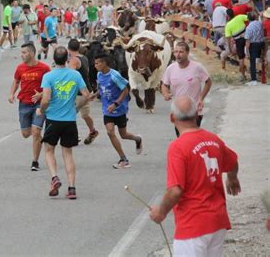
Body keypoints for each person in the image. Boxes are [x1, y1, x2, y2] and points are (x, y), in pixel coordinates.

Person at [150, 96, 241, 257]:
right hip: (217, 221)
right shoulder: (213, 140)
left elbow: (175, 191)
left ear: (172, 118)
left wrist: (161, 212)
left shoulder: (177, 147)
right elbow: (232, 161)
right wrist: (232, 178)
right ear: (197, 115)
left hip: (193, 225)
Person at [36, 46, 92, 200]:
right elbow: (87, 94)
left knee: (48, 151)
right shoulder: (75, 75)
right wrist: (75, 106)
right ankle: (72, 188)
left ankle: (54, 177)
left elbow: (46, 98)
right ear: (67, 59)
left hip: (53, 119)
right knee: (68, 154)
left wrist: (41, 110)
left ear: (54, 59)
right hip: (69, 120)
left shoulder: (48, 76)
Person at [94, 53, 142, 168]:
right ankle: (123, 159)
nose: (95, 65)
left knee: (123, 134)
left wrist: (116, 104)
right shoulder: (99, 74)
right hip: (107, 109)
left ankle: (137, 139)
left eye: (97, 63)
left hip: (119, 109)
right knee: (110, 132)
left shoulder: (114, 75)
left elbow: (125, 90)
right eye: (95, 63)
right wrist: (95, 94)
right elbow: (101, 88)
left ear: (104, 63)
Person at [9, 42, 50, 171]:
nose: (22, 55)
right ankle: (38, 139)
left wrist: (42, 94)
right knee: (26, 134)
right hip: (24, 103)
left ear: (32, 53)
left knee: (36, 132)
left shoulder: (44, 68)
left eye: (24, 52)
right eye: (21, 52)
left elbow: (52, 86)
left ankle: (35, 161)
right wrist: (11, 94)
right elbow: (16, 81)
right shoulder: (20, 68)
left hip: (39, 104)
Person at [162, 41, 212, 137]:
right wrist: (165, 94)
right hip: (178, 110)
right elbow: (164, 84)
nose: (178, 55)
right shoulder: (171, 68)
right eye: (176, 52)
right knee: (181, 137)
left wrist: (201, 98)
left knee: (192, 137)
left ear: (187, 53)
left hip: (194, 109)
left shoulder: (197, 67)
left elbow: (208, 82)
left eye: (181, 52)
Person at [67, 39, 99, 145]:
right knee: (85, 114)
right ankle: (92, 131)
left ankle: (73, 137)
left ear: (68, 49)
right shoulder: (83, 57)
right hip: (87, 90)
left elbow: (70, 77)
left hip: (79, 93)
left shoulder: (74, 60)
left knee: (69, 114)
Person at [224, 9, 248, 82]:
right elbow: (250, 18)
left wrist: (230, 49)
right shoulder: (240, 17)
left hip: (239, 41)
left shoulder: (228, 25)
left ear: (227, 16)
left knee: (241, 58)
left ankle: (243, 75)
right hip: (247, 38)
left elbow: (228, 39)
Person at [244, 12, 265, 86]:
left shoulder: (249, 27)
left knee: (252, 61)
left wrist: (247, 51)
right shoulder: (260, 23)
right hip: (262, 43)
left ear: (248, 19)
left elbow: (248, 41)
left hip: (254, 44)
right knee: (260, 59)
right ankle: (262, 76)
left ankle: (254, 79)